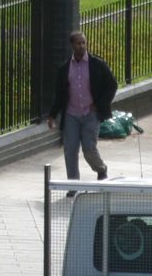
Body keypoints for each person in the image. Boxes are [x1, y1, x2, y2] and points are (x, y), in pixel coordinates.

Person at [51, 30, 119, 182]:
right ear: (72, 46)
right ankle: (73, 183)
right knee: (70, 150)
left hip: (90, 114)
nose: (81, 46)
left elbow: (112, 85)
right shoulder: (65, 69)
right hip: (71, 115)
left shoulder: (97, 65)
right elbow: (60, 94)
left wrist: (99, 104)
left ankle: (101, 169)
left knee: (89, 148)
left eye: (83, 43)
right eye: (78, 43)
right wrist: (52, 115)